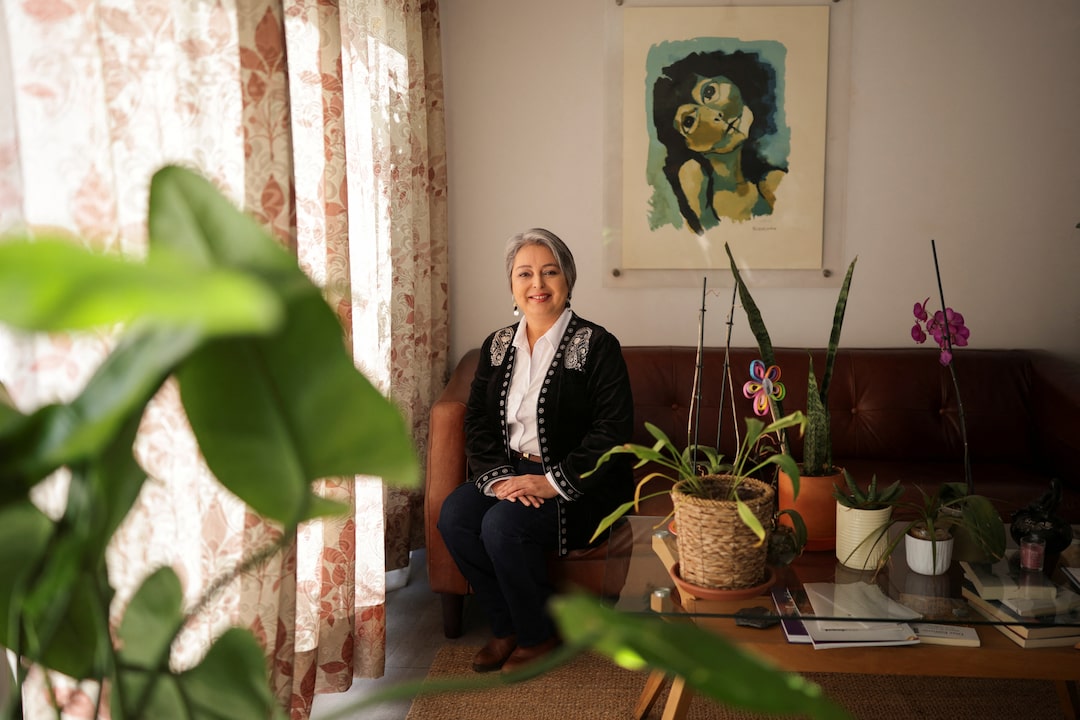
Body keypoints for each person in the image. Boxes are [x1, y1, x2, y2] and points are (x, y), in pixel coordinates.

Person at [437, 228, 634, 674]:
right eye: (525, 273)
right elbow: (478, 422)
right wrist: (500, 480)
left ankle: (538, 635)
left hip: (581, 486)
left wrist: (551, 483)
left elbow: (612, 430)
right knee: (455, 516)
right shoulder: (497, 346)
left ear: (568, 280)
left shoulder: (596, 345)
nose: (537, 284)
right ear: (511, 284)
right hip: (510, 472)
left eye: (550, 272)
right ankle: (506, 625)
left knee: (502, 526)